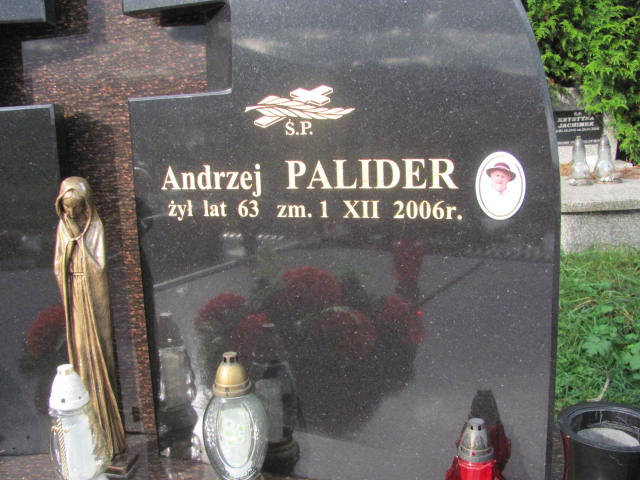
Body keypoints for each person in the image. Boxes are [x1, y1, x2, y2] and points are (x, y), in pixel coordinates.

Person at [54, 176, 126, 458]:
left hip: (92, 296)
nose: (72, 213)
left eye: (77, 207)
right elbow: (59, 264)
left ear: (87, 205)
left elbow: (98, 265)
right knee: (80, 352)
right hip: (75, 297)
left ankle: (109, 431)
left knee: (98, 349)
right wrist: (70, 247)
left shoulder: (94, 227)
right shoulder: (64, 228)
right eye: (67, 208)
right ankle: (92, 438)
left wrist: (80, 245)